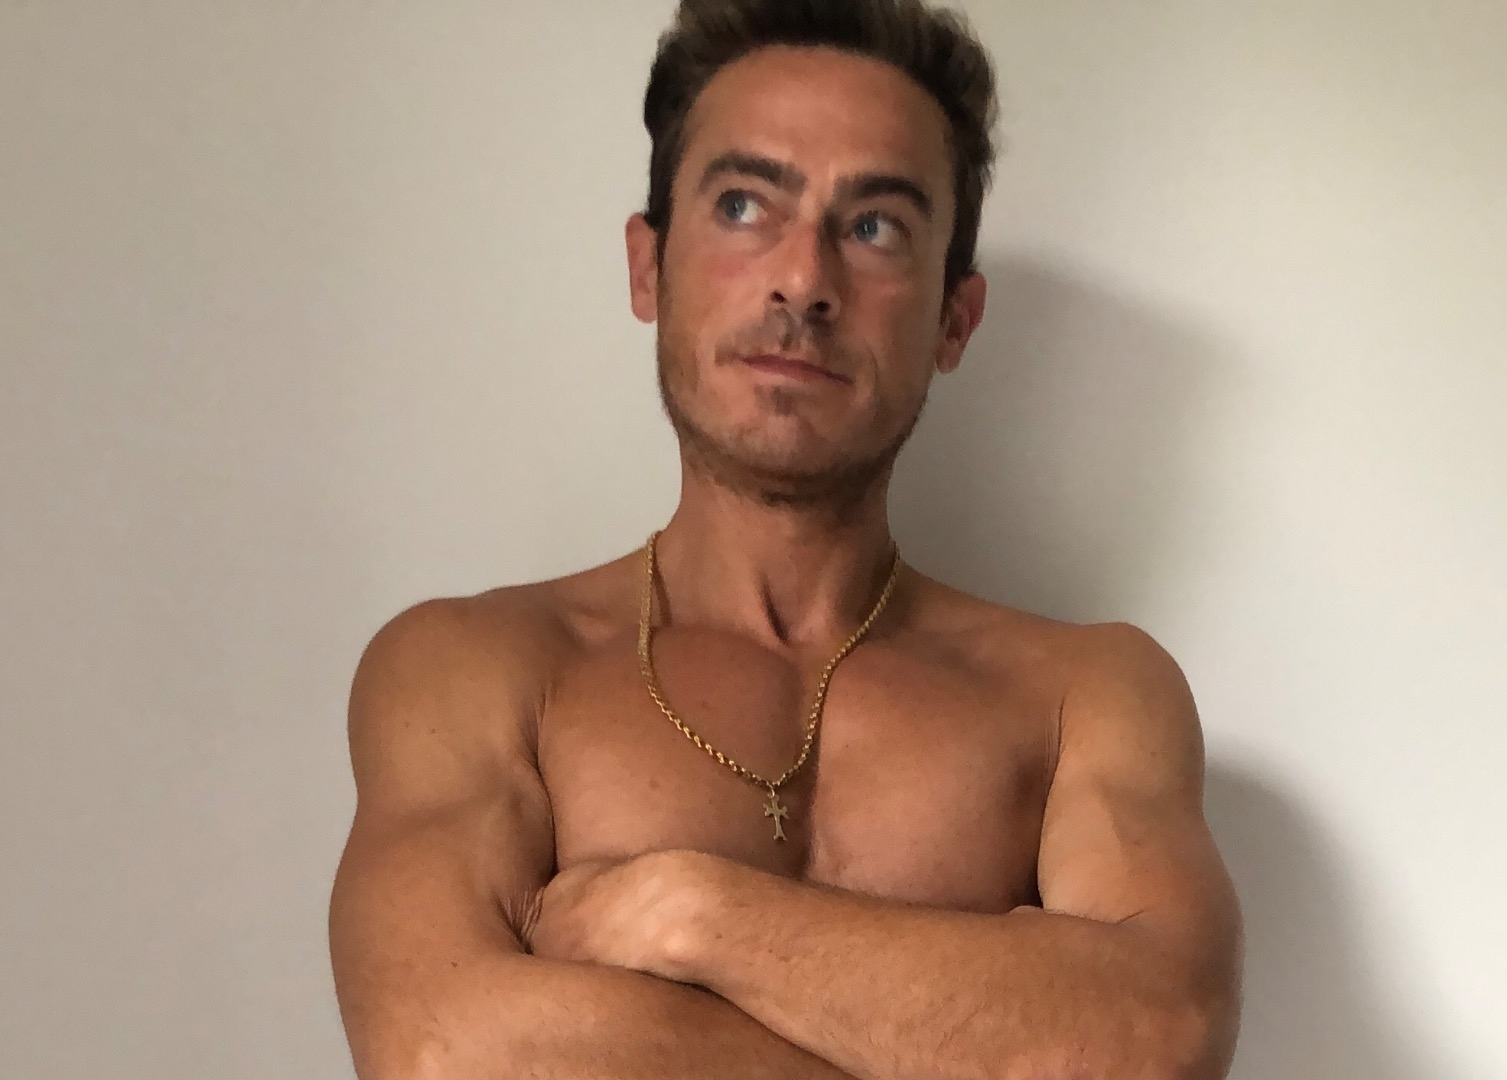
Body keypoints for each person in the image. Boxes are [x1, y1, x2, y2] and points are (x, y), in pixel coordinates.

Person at [327, 1, 1244, 1077]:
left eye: (875, 227)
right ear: (647, 268)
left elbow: (1158, 1039)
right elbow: (442, 1050)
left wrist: (688, 914)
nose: (803, 280)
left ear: (952, 319)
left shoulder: (1086, 693)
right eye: (743, 205)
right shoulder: (473, 670)